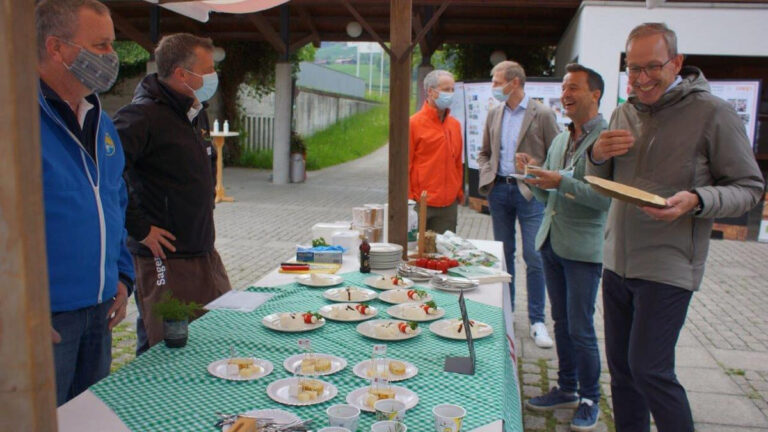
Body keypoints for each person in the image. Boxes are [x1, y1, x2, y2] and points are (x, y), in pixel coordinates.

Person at [587, 23, 764, 432]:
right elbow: (601, 179)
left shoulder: (713, 113)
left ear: (677, 62)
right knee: (622, 373)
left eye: (652, 67)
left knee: (649, 370)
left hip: (669, 266)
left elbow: (749, 188)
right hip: (616, 262)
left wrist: (697, 200)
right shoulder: (623, 111)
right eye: (633, 69)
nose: (641, 79)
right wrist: (595, 155)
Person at [36, 0, 134, 405]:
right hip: (45, 319)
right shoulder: (15, 120)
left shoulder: (101, 120)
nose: (111, 57)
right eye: (101, 45)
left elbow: (115, 201)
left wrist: (124, 277)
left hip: (100, 313)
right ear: (56, 47)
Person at [114, 33, 232, 354]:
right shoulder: (141, 116)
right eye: (207, 70)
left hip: (202, 250)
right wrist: (139, 228)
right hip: (165, 258)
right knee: (166, 346)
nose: (213, 76)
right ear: (182, 74)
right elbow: (108, 170)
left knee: (217, 336)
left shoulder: (195, 112)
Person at [519, 64, 610, 431]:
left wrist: (559, 181)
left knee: (581, 327)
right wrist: (533, 176)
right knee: (561, 321)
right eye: (564, 88)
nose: (565, 95)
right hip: (551, 242)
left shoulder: (606, 139)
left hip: (583, 249)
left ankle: (590, 398)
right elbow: (549, 196)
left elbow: (603, 198)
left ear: (595, 94)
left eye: (573, 88)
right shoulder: (561, 137)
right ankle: (567, 387)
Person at [477, 60, 560, 348]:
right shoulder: (494, 112)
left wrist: (536, 166)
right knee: (504, 256)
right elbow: (484, 152)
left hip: (530, 193)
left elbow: (558, 155)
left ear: (514, 83)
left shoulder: (543, 113)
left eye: (497, 82)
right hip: (499, 190)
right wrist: (487, 176)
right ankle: (507, 315)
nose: (493, 87)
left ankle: (537, 321)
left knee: (535, 257)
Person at [409, 69, 464, 233]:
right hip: (420, 202)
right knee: (415, 248)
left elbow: (457, 163)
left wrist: (458, 191)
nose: (450, 94)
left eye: (452, 89)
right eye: (446, 89)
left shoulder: (455, 125)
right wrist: (410, 198)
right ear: (430, 92)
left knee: (444, 248)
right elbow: (405, 164)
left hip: (448, 205)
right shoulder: (413, 124)